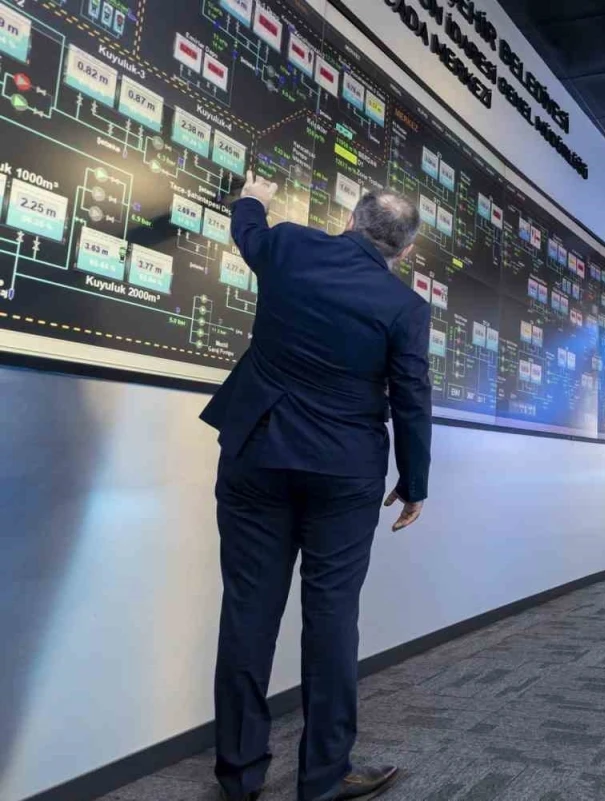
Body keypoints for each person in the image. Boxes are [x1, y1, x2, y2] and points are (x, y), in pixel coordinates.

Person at [201, 172, 433, 801]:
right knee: (332, 618)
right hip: (344, 471)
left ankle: (239, 776)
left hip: (258, 454)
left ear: (351, 220)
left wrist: (254, 198)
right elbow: (412, 397)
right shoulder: (405, 308)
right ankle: (324, 777)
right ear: (405, 249)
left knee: (248, 612)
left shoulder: (292, 246)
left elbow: (248, 231)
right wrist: (414, 482)